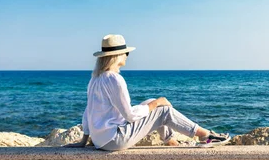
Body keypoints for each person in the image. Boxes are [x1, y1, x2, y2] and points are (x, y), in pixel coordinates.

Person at [65, 34, 230, 150]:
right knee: (162, 109)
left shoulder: (95, 79)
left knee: (150, 102)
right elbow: (129, 115)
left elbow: (89, 112)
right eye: (126, 53)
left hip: (101, 140)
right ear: (118, 56)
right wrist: (157, 103)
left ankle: (171, 141)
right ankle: (205, 136)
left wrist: (84, 140)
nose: (127, 56)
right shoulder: (114, 79)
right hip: (114, 140)